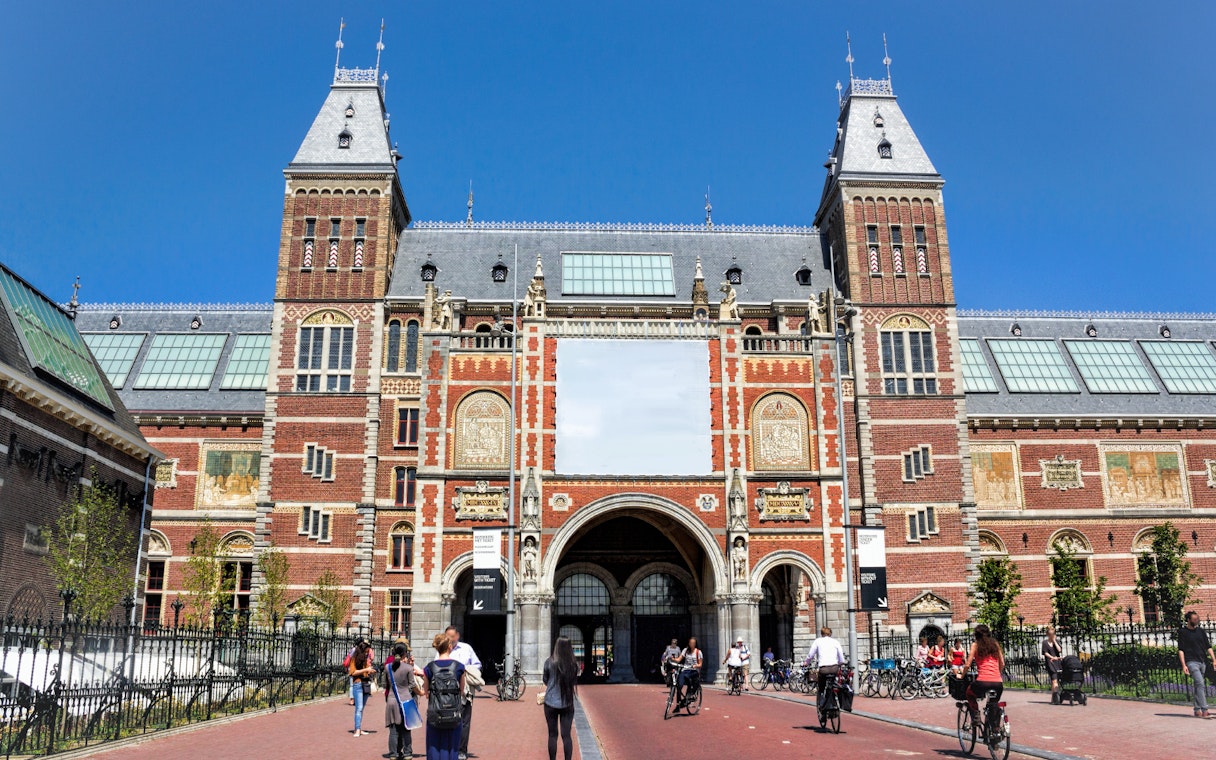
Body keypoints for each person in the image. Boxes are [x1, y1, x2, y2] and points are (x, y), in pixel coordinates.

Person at [424, 632, 467, 760]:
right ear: (449, 647)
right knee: (452, 747)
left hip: (435, 713)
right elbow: (462, 690)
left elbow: (426, 692)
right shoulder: (459, 667)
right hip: (453, 713)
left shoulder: (429, 668)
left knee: (434, 746)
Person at [445, 626, 481, 760]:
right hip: (447, 692)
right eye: (447, 636)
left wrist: (467, 670)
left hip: (465, 692)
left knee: (464, 722)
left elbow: (477, 665)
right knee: (448, 720)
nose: (450, 639)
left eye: (452, 636)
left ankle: (461, 750)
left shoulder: (466, 648)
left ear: (457, 636)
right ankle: (450, 748)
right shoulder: (442, 650)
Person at [542, 636, 579, 760]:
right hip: (567, 702)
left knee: (552, 734)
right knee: (566, 735)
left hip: (550, 702)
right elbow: (574, 680)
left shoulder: (549, 661)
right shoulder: (573, 664)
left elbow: (545, 680)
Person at [962, 624, 1005, 727]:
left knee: (969, 693)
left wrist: (962, 675)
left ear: (976, 635)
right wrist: (996, 674)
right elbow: (1002, 663)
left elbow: (967, 664)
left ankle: (976, 715)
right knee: (993, 704)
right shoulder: (995, 644)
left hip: (982, 682)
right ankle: (994, 730)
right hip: (998, 683)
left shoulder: (975, 645)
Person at [384, 642, 420, 760]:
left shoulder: (387, 667)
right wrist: (421, 693)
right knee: (406, 729)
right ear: (405, 653)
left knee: (393, 730)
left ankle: (393, 753)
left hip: (391, 700)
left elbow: (387, 685)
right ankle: (407, 752)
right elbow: (412, 685)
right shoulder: (408, 668)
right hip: (406, 700)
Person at [1178, 610, 1215, 719]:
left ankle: (1196, 709)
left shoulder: (1201, 631)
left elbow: (1208, 646)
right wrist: (1184, 665)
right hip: (1191, 661)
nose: (1197, 621)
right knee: (1200, 683)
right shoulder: (1183, 632)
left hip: (1202, 661)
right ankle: (1204, 710)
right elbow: (1181, 650)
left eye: (1197, 619)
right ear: (1188, 620)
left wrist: (1214, 659)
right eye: (1194, 619)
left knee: (1198, 686)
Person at [804, 626, 846, 710]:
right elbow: (841, 657)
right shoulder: (835, 642)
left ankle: (821, 706)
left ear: (822, 633)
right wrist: (840, 663)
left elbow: (810, 655)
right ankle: (835, 701)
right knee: (835, 684)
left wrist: (806, 662)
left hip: (823, 669)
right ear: (830, 633)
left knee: (821, 687)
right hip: (834, 668)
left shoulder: (818, 641)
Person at [348, 639, 377, 737]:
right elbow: (352, 672)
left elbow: (365, 671)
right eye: (368, 649)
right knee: (359, 708)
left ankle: (359, 728)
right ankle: (357, 729)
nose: (369, 651)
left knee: (361, 708)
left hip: (365, 683)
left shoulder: (365, 658)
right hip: (358, 684)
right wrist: (366, 669)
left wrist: (370, 671)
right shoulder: (354, 658)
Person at [671, 636, 703, 707]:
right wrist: (673, 659)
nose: (691, 644)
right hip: (685, 669)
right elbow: (679, 659)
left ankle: (689, 696)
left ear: (695, 644)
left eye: (693, 643)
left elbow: (700, 664)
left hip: (694, 671)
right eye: (690, 643)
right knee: (679, 685)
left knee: (691, 681)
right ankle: (678, 704)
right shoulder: (685, 650)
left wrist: (696, 666)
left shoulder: (698, 652)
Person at [1041, 626, 1063, 704]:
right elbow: (1045, 653)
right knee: (1054, 680)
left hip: (1058, 663)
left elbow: (1059, 650)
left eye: (1053, 634)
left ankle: (1053, 698)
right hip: (1050, 663)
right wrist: (1052, 657)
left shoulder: (1056, 641)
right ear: (1047, 634)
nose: (1052, 636)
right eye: (1050, 634)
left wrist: (1054, 642)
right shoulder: (1044, 643)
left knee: (1056, 681)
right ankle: (1056, 698)